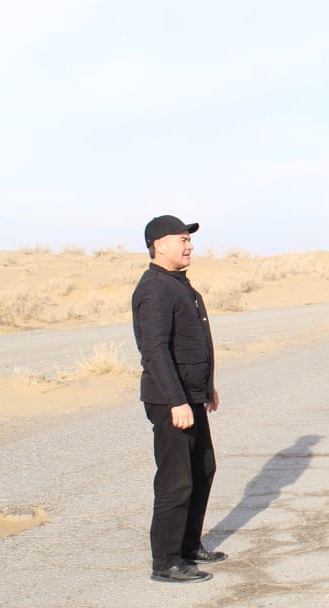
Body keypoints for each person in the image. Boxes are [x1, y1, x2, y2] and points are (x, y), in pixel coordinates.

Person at [132, 214, 227, 583]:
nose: (189, 244)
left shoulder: (177, 284)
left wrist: (207, 387)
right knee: (175, 480)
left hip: (190, 394)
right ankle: (166, 561)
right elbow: (154, 351)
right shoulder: (155, 288)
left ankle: (189, 545)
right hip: (170, 398)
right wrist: (176, 401)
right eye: (181, 239)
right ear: (159, 245)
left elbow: (192, 343)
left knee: (203, 468)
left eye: (189, 239)